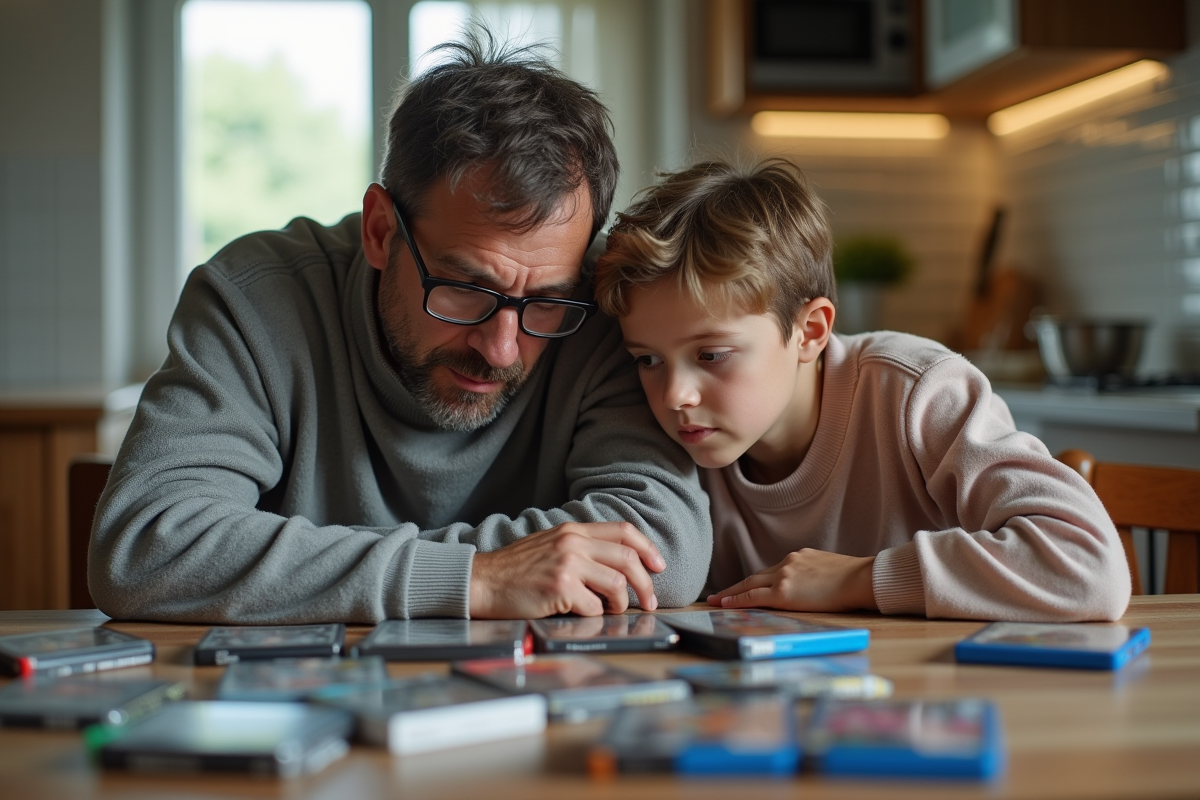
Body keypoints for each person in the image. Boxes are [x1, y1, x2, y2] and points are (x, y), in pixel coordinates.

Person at [88, 32, 712, 624]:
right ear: (381, 231)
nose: (500, 348)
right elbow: (145, 547)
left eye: (544, 302)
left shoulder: (604, 303)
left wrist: (306, 573)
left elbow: (665, 551)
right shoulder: (253, 298)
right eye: (466, 290)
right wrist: (475, 578)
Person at [593, 157, 1129, 621]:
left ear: (810, 332)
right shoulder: (654, 429)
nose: (674, 395)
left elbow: (1087, 566)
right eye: (648, 360)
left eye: (711, 355)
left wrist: (858, 579)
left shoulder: (918, 392)